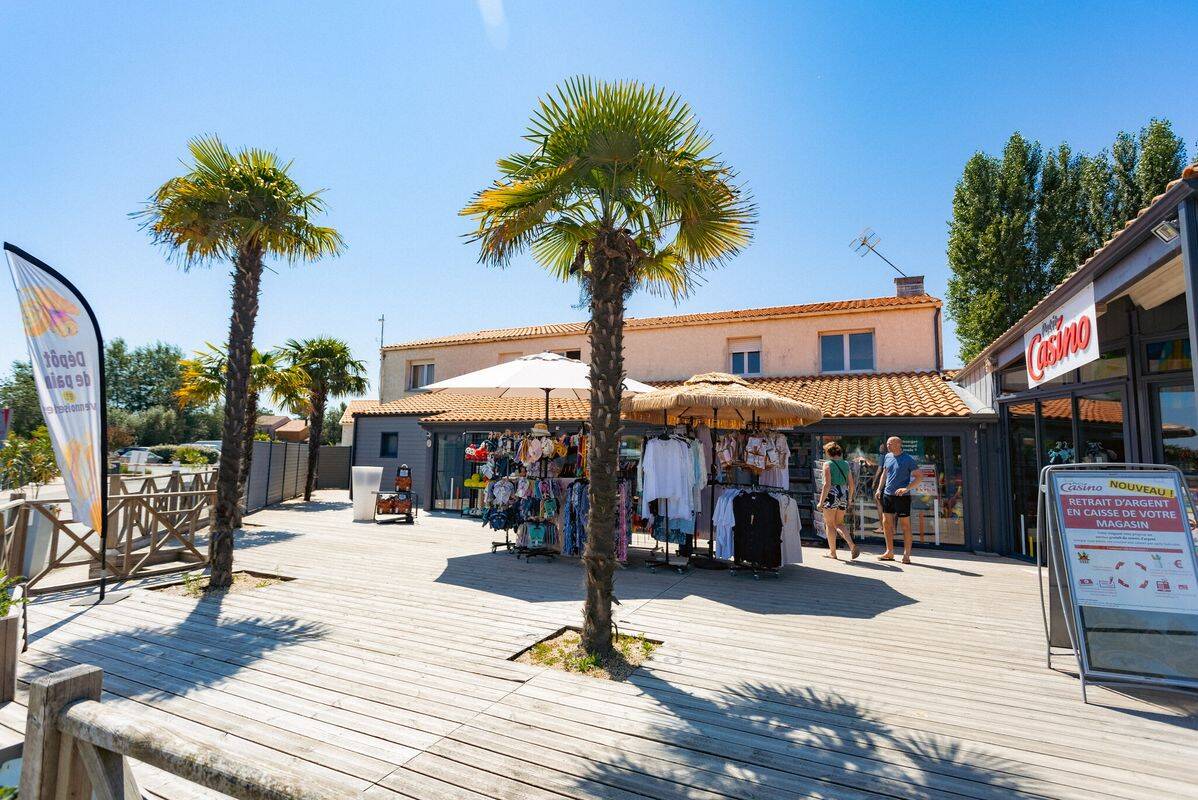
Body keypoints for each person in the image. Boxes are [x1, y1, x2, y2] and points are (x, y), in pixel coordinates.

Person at [874, 436, 921, 564]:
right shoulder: (888, 457)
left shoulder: (908, 459)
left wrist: (906, 489)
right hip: (888, 495)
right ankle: (889, 552)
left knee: (905, 526)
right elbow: (885, 473)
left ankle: (906, 555)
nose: (888, 446)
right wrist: (879, 489)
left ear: (899, 444)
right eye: (887, 444)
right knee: (886, 523)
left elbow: (919, 477)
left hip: (902, 497)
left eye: (890, 443)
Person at [818, 441, 858, 560]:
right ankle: (851, 544)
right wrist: (850, 498)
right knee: (839, 523)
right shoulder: (845, 464)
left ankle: (833, 552)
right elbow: (851, 484)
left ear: (829, 453)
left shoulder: (828, 464)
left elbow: (826, 484)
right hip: (843, 494)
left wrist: (821, 501)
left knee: (829, 524)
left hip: (832, 494)